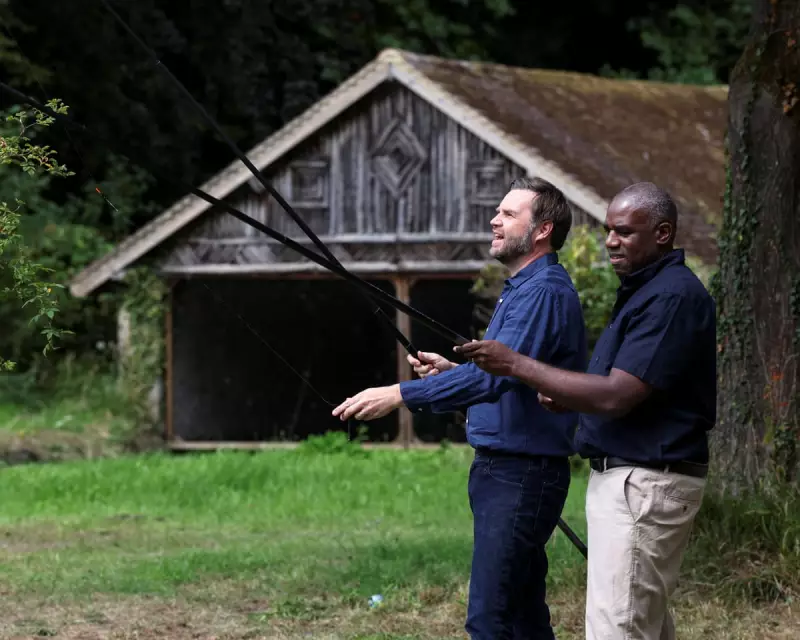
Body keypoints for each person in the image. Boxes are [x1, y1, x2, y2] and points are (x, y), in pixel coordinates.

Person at [455, 182, 716, 640]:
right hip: (628, 481)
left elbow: (617, 395)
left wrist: (514, 363)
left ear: (663, 233)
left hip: (644, 484)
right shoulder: (645, 291)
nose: (611, 241)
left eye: (625, 232)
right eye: (608, 231)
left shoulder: (671, 296)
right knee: (642, 626)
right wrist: (565, 395)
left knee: (618, 629)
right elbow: (621, 391)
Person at [332, 176, 588, 639]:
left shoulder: (543, 292)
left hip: (522, 474)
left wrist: (398, 395)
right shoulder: (523, 289)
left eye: (509, 214)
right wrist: (453, 373)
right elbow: (511, 376)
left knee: (491, 619)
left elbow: (495, 377)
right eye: (498, 211)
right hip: (506, 471)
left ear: (543, 229)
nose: (495, 219)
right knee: (525, 614)